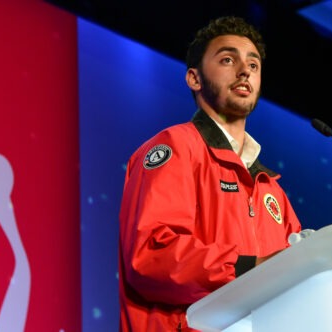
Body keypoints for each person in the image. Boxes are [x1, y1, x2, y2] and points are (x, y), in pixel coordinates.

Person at [118, 15, 303, 331]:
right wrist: (247, 268)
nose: (244, 70)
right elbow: (150, 256)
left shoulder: (272, 191)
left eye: (253, 65)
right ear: (194, 78)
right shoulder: (176, 147)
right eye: (228, 59)